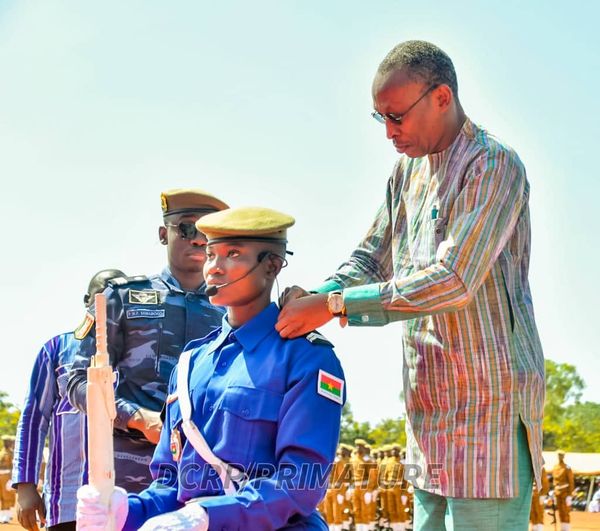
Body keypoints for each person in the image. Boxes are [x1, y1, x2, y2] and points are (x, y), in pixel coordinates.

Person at [276, 40, 545, 530]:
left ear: (442, 97)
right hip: (428, 415)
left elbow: (454, 281)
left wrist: (334, 306)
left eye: (397, 115)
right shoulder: (406, 174)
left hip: (489, 417)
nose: (390, 132)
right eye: (381, 119)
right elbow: (369, 258)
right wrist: (318, 293)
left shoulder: (491, 166)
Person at [76, 206, 346, 530]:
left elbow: (301, 482)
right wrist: (123, 512)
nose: (214, 268)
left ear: (272, 265)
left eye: (232, 254)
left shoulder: (305, 357)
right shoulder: (191, 362)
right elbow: (172, 484)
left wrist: (208, 516)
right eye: (211, 253)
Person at [67, 189, 227, 492]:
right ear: (163, 233)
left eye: (207, 232)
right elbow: (76, 382)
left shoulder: (231, 309)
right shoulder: (120, 297)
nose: (197, 239)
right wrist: (140, 419)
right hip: (130, 470)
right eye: (187, 228)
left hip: (205, 470)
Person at [11, 269, 126, 531]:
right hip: (67, 499)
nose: (109, 304)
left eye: (119, 298)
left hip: (125, 496)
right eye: (102, 296)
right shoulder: (56, 349)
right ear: (87, 301)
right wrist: (26, 486)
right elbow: (33, 420)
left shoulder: (141, 353)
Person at [552, 450, 575, 531]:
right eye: (559, 455)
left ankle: (566, 529)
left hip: (565, 492)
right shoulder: (555, 467)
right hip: (557, 492)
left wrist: (570, 494)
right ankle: (562, 528)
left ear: (563, 457)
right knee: (560, 511)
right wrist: (554, 491)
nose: (560, 457)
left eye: (561, 455)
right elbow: (554, 480)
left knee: (565, 511)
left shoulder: (567, 468)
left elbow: (571, 481)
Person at [0, 435, 16, 523]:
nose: (6, 443)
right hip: (1, 475)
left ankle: (6, 516)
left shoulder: (11, 453)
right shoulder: (2, 452)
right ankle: (2, 515)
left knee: (7, 496)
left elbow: (13, 466)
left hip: (7, 476)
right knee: (1, 496)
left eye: (7, 441)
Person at [529, 466, 549, 531]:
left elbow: (545, 483)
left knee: (539, 512)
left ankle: (539, 529)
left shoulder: (541, 469)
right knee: (532, 513)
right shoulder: (530, 467)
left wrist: (543, 495)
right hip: (531, 493)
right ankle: (534, 528)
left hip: (539, 494)